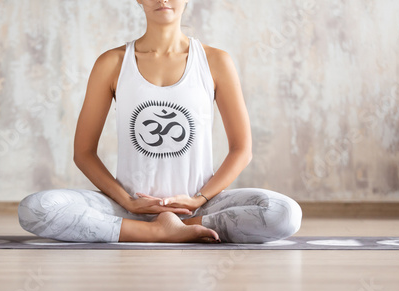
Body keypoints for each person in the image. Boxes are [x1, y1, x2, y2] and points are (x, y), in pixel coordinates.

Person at [18, 0, 302, 243]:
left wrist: (199, 200)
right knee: (35, 208)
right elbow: (83, 152)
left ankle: (171, 228)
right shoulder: (112, 63)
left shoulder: (216, 61)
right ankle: (155, 231)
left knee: (284, 213)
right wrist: (128, 201)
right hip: (128, 207)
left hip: (202, 206)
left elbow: (242, 149)